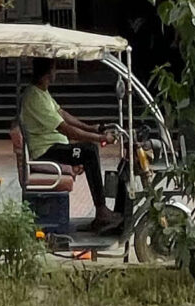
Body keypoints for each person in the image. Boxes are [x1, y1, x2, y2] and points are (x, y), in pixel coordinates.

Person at [19, 58, 129, 233]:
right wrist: (100, 138)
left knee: (88, 150)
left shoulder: (42, 93)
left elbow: (62, 114)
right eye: (54, 69)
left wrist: (91, 128)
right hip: (46, 151)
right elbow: (67, 130)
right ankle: (101, 211)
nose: (55, 73)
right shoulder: (34, 97)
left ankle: (101, 211)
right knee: (89, 151)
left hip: (55, 146)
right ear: (49, 72)